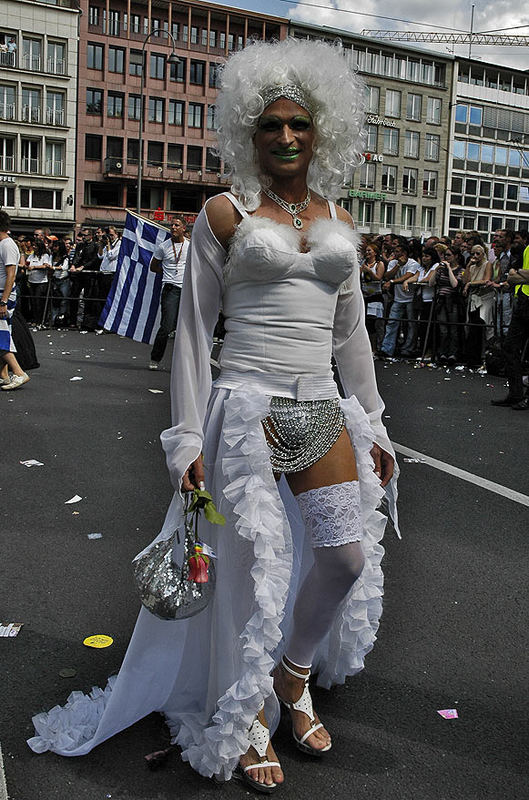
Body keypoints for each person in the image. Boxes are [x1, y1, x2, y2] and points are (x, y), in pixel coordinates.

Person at [28, 39, 397, 793]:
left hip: (320, 403)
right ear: (247, 133)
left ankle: (291, 678)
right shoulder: (222, 213)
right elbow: (195, 332)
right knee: (244, 578)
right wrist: (187, 435)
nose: (285, 137)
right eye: (270, 126)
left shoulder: (337, 215)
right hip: (243, 408)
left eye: (297, 123)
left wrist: (377, 422)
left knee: (344, 558)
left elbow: (349, 333)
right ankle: (249, 710)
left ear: (318, 128)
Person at [491, 243, 529, 410]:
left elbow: (514, 273)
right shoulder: (527, 248)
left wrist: (517, 274)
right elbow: (510, 275)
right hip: (522, 301)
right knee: (509, 347)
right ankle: (515, 394)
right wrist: (520, 274)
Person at [149, 216, 189, 369]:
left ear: (183, 228)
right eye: (172, 225)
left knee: (185, 329)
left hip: (186, 291)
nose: (173, 227)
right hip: (170, 289)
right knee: (166, 327)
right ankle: (155, 359)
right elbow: (153, 267)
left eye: (177, 225)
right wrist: (166, 272)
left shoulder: (190, 246)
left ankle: (183, 365)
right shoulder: (163, 246)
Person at [0, 210, 30, 390]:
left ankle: (19, 372)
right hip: (3, 294)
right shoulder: (3, 244)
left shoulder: (7, 245)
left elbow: (12, 274)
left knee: (1, 334)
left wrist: (3, 301)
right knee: (3, 331)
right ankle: (3, 375)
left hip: (3, 295)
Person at [378, 241, 420, 358]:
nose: (394, 253)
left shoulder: (413, 263)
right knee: (392, 322)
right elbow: (387, 275)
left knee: (411, 325)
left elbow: (407, 276)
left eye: (397, 251)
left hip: (410, 298)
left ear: (404, 253)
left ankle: (408, 349)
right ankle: (387, 349)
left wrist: (392, 282)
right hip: (398, 298)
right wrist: (397, 266)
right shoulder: (393, 263)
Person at [430, 247, 465, 364]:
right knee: (443, 330)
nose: (446, 258)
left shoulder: (460, 270)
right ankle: (443, 353)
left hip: (453, 301)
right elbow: (431, 283)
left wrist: (449, 268)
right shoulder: (440, 270)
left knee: (453, 330)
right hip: (441, 301)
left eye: (449, 255)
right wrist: (436, 270)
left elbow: (455, 284)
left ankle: (453, 353)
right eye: (445, 255)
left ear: (456, 256)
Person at [462, 244, 494, 367]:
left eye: (477, 254)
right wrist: (469, 265)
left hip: (484, 298)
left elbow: (486, 279)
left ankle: (482, 356)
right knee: (471, 328)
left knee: (483, 327)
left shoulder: (487, 264)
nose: (475, 256)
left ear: (483, 254)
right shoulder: (473, 266)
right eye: (473, 253)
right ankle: (472, 357)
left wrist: (470, 284)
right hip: (473, 299)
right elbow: (465, 280)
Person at [25, 238, 52, 328]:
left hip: (41, 281)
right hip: (31, 280)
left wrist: (35, 267)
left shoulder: (45, 255)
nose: (33, 247)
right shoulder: (32, 256)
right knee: (33, 302)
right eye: (33, 245)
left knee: (39, 301)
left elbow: (45, 266)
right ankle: (35, 319)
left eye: (35, 245)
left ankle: (40, 320)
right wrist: (26, 266)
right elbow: (27, 264)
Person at [50, 239, 71, 327]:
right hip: (55, 280)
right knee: (54, 301)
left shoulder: (65, 257)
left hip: (63, 280)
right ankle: (54, 320)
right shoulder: (52, 256)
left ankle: (62, 319)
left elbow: (64, 267)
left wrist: (53, 268)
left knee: (63, 300)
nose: (54, 248)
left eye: (56, 246)